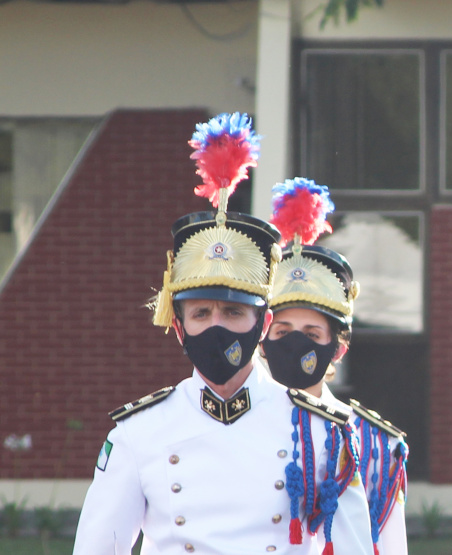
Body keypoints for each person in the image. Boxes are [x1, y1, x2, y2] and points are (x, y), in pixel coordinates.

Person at [73, 113, 372, 555]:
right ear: (178, 327)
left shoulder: (321, 432)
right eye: (201, 313)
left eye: (234, 312)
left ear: (264, 324)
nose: (216, 326)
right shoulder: (138, 433)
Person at [260, 177, 409, 555]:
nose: (295, 342)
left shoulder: (377, 445)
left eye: (311, 333)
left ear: (337, 349)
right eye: (283, 330)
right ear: (261, 340)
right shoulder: (227, 423)